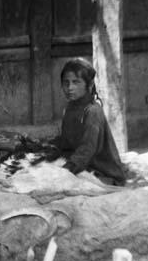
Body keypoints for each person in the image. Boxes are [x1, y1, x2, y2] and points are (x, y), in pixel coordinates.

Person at [53, 58, 126, 186]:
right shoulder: (70, 108)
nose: (70, 88)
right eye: (66, 83)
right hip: (82, 165)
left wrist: (64, 172)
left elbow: (87, 149)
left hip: (103, 172)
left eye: (76, 82)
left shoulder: (92, 111)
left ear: (90, 85)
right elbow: (67, 144)